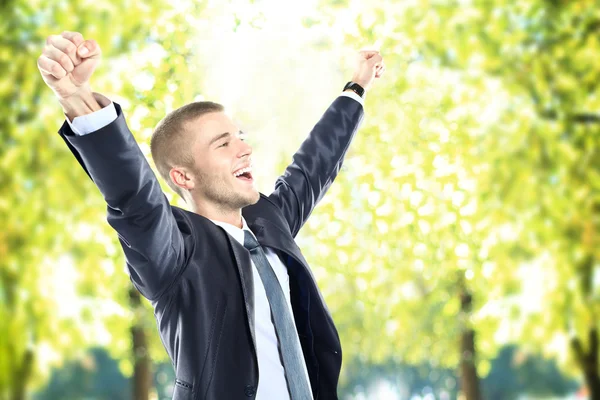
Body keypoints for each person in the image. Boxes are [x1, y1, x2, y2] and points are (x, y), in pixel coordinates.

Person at [37, 31, 385, 400]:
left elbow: (315, 163)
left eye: (240, 136)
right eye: (224, 143)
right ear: (183, 176)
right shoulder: (174, 253)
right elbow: (134, 196)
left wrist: (357, 85)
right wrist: (76, 98)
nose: (245, 149)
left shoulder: (269, 222)